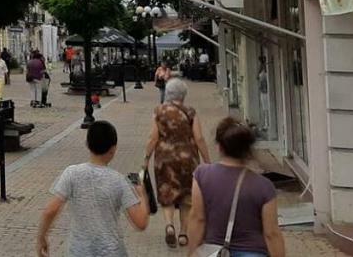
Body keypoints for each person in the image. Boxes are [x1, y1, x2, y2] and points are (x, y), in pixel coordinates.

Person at [37, 120, 149, 257]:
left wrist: (42, 238)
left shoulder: (71, 173)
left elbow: (50, 210)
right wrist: (143, 196)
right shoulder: (119, 181)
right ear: (113, 149)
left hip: (79, 252)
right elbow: (141, 222)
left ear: (87, 144)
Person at [187, 118, 286, 257]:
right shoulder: (264, 186)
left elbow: (198, 219)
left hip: (214, 252)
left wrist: (192, 251)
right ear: (248, 150)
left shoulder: (202, 175)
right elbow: (271, 234)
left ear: (220, 146)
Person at [143, 78, 211, 249]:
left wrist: (146, 158)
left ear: (168, 93)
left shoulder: (159, 111)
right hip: (188, 159)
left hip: (164, 159)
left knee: (167, 194)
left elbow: (153, 138)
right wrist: (208, 160)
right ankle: (183, 233)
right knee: (187, 197)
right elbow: (200, 138)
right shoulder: (190, 112)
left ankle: (169, 225)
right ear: (183, 94)